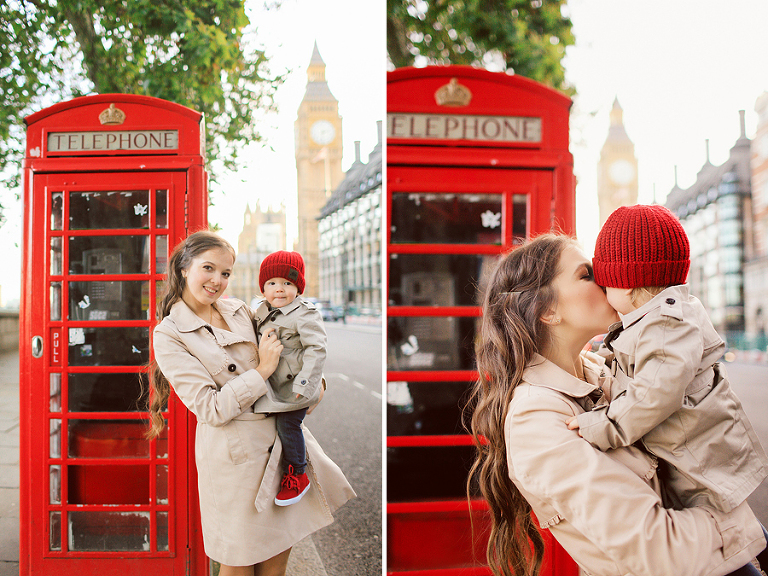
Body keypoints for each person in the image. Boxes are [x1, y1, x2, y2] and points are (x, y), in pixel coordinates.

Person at [468, 233, 766, 576]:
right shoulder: (534, 422)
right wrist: (745, 524)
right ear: (547, 310)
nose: (608, 278)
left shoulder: (603, 371)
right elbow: (661, 551)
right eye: (587, 274)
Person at [565, 204, 768, 573]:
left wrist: (603, 427)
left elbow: (653, 393)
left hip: (698, 457)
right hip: (688, 451)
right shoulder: (654, 321)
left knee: (726, 549)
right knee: (735, 532)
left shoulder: (665, 326)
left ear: (627, 285)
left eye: (605, 282)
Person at [147, 230, 355, 576]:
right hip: (234, 463)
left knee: (277, 562)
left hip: (281, 456)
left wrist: (313, 388)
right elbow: (210, 408)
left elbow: (294, 356)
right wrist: (262, 371)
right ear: (184, 268)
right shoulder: (168, 334)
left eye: (226, 273)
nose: (217, 281)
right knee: (238, 564)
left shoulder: (242, 310)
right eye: (208, 268)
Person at [251, 250, 326, 506]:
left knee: (288, 425)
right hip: (271, 385)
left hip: (294, 388)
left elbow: (317, 350)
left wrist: (305, 385)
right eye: (272, 283)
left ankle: (297, 474)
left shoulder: (305, 314)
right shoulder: (261, 311)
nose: (279, 289)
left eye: (287, 283)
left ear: (298, 287)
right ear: (263, 288)